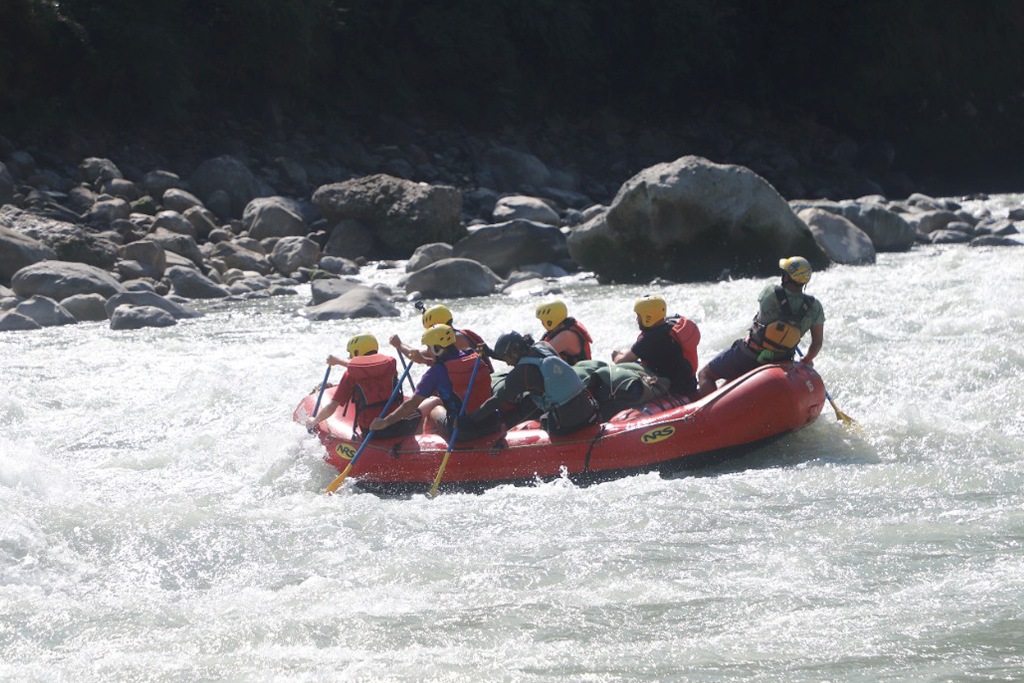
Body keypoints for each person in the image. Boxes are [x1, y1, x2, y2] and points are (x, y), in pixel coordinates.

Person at [697, 256, 825, 397]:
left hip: (750, 355)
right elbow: (817, 343)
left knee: (704, 374)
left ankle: (710, 414)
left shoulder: (771, 292)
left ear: (787, 277)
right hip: (783, 359)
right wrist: (807, 359)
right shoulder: (815, 307)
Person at [370, 323, 496, 438]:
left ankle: (428, 441)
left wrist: (385, 422)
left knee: (434, 405)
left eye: (429, 348)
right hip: (490, 421)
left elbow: (411, 404)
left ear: (437, 349)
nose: (428, 351)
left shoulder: (436, 372)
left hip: (463, 430)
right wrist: (424, 359)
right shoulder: (472, 355)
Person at [465, 331, 599, 436]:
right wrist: (492, 354)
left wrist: (470, 420)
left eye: (506, 358)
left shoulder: (520, 374)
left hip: (566, 423)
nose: (507, 363)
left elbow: (496, 400)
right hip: (589, 408)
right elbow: (524, 359)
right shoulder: (544, 347)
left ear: (514, 352)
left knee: (526, 413)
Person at [305, 334, 402, 435]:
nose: (349, 357)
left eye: (350, 353)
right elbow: (371, 372)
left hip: (370, 429)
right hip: (395, 421)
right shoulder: (390, 364)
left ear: (356, 352)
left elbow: (332, 406)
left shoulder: (350, 375)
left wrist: (314, 421)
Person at [611, 295, 698, 398]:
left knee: (626, 368)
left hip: (675, 390)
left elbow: (620, 361)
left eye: (639, 316)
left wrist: (615, 355)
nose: (636, 319)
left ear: (648, 317)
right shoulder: (671, 325)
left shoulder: (652, 338)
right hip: (690, 383)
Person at [390, 303, 493, 371]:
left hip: (475, 384)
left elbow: (415, 355)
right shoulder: (464, 332)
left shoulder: (452, 340)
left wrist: (399, 344)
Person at [535, 299, 593, 365]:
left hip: (577, 374)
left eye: (543, 320)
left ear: (551, 319)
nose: (542, 323)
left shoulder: (566, 336)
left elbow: (539, 354)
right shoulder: (560, 328)